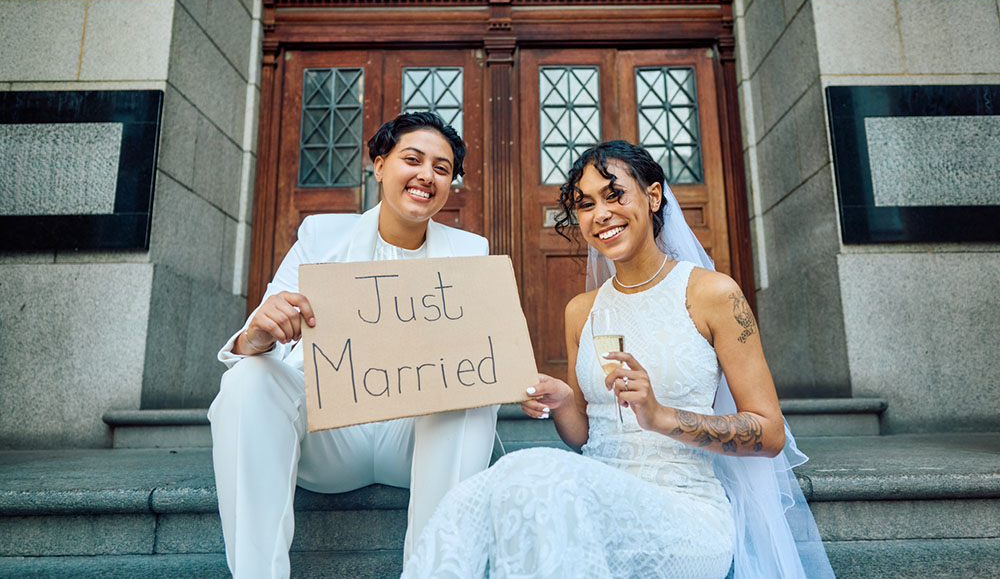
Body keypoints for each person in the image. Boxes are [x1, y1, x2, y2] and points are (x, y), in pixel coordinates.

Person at [401, 140, 834, 578]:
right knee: (494, 487)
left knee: (532, 473)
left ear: (653, 195)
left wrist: (661, 415)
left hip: (687, 515)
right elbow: (587, 436)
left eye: (613, 195)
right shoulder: (581, 310)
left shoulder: (713, 294)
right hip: (594, 499)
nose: (600, 214)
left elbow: (770, 432)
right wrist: (563, 401)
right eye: (585, 204)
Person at [209, 112, 499, 579]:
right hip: (328, 437)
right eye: (413, 159)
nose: (427, 175)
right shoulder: (321, 236)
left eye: (442, 169)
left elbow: (485, 358)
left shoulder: (471, 252)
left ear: (450, 185)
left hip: (416, 439)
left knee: (471, 395)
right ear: (380, 164)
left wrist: (511, 373)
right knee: (247, 378)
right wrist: (256, 335)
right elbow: (257, 339)